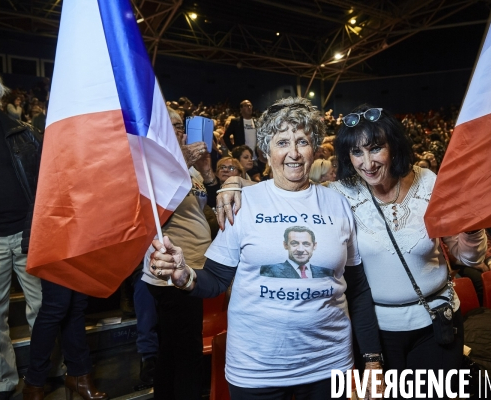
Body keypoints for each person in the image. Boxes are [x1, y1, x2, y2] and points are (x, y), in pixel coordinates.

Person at [216, 104, 486, 399]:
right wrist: (234, 182)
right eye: (357, 152)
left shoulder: (428, 183)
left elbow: (465, 257)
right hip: (378, 332)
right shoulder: (340, 195)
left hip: (436, 322)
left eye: (375, 149)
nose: (367, 163)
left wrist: (472, 230)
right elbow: (288, 186)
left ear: (393, 146)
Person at [149, 97, 383, 400]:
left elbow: (358, 289)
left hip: (330, 367)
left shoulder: (338, 204)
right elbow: (216, 280)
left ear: (314, 147)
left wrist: (373, 359)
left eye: (302, 141)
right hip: (257, 372)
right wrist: (185, 276)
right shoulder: (242, 202)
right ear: (266, 151)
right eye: (282, 141)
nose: (294, 152)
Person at [140, 109, 215, 400]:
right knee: (186, 352)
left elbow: (209, 204)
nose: (179, 131)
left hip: (196, 266)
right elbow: (152, 208)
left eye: (180, 126)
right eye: (170, 126)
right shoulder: (152, 163)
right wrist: (181, 162)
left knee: (173, 348)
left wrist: (207, 170)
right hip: (170, 269)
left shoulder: (193, 166)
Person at [0, 66, 44, 400]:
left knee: (42, 309)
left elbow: (42, 186)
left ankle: (43, 372)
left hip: (28, 234)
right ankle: (2, 381)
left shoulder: (22, 133)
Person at [260, 226, 334, 279]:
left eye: (306, 244)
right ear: (285, 245)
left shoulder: (327, 272)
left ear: (314, 246)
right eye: (294, 243)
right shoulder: (268, 271)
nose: (300, 250)